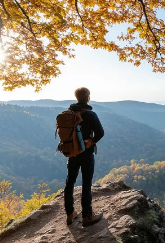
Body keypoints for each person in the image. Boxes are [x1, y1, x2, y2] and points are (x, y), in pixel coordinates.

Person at [64, 87, 104, 227]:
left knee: (70, 182)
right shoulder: (90, 114)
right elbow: (100, 133)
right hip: (86, 154)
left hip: (72, 153)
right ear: (88, 97)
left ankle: (70, 214)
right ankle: (87, 216)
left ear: (76, 97)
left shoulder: (69, 113)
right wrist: (91, 141)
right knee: (86, 183)